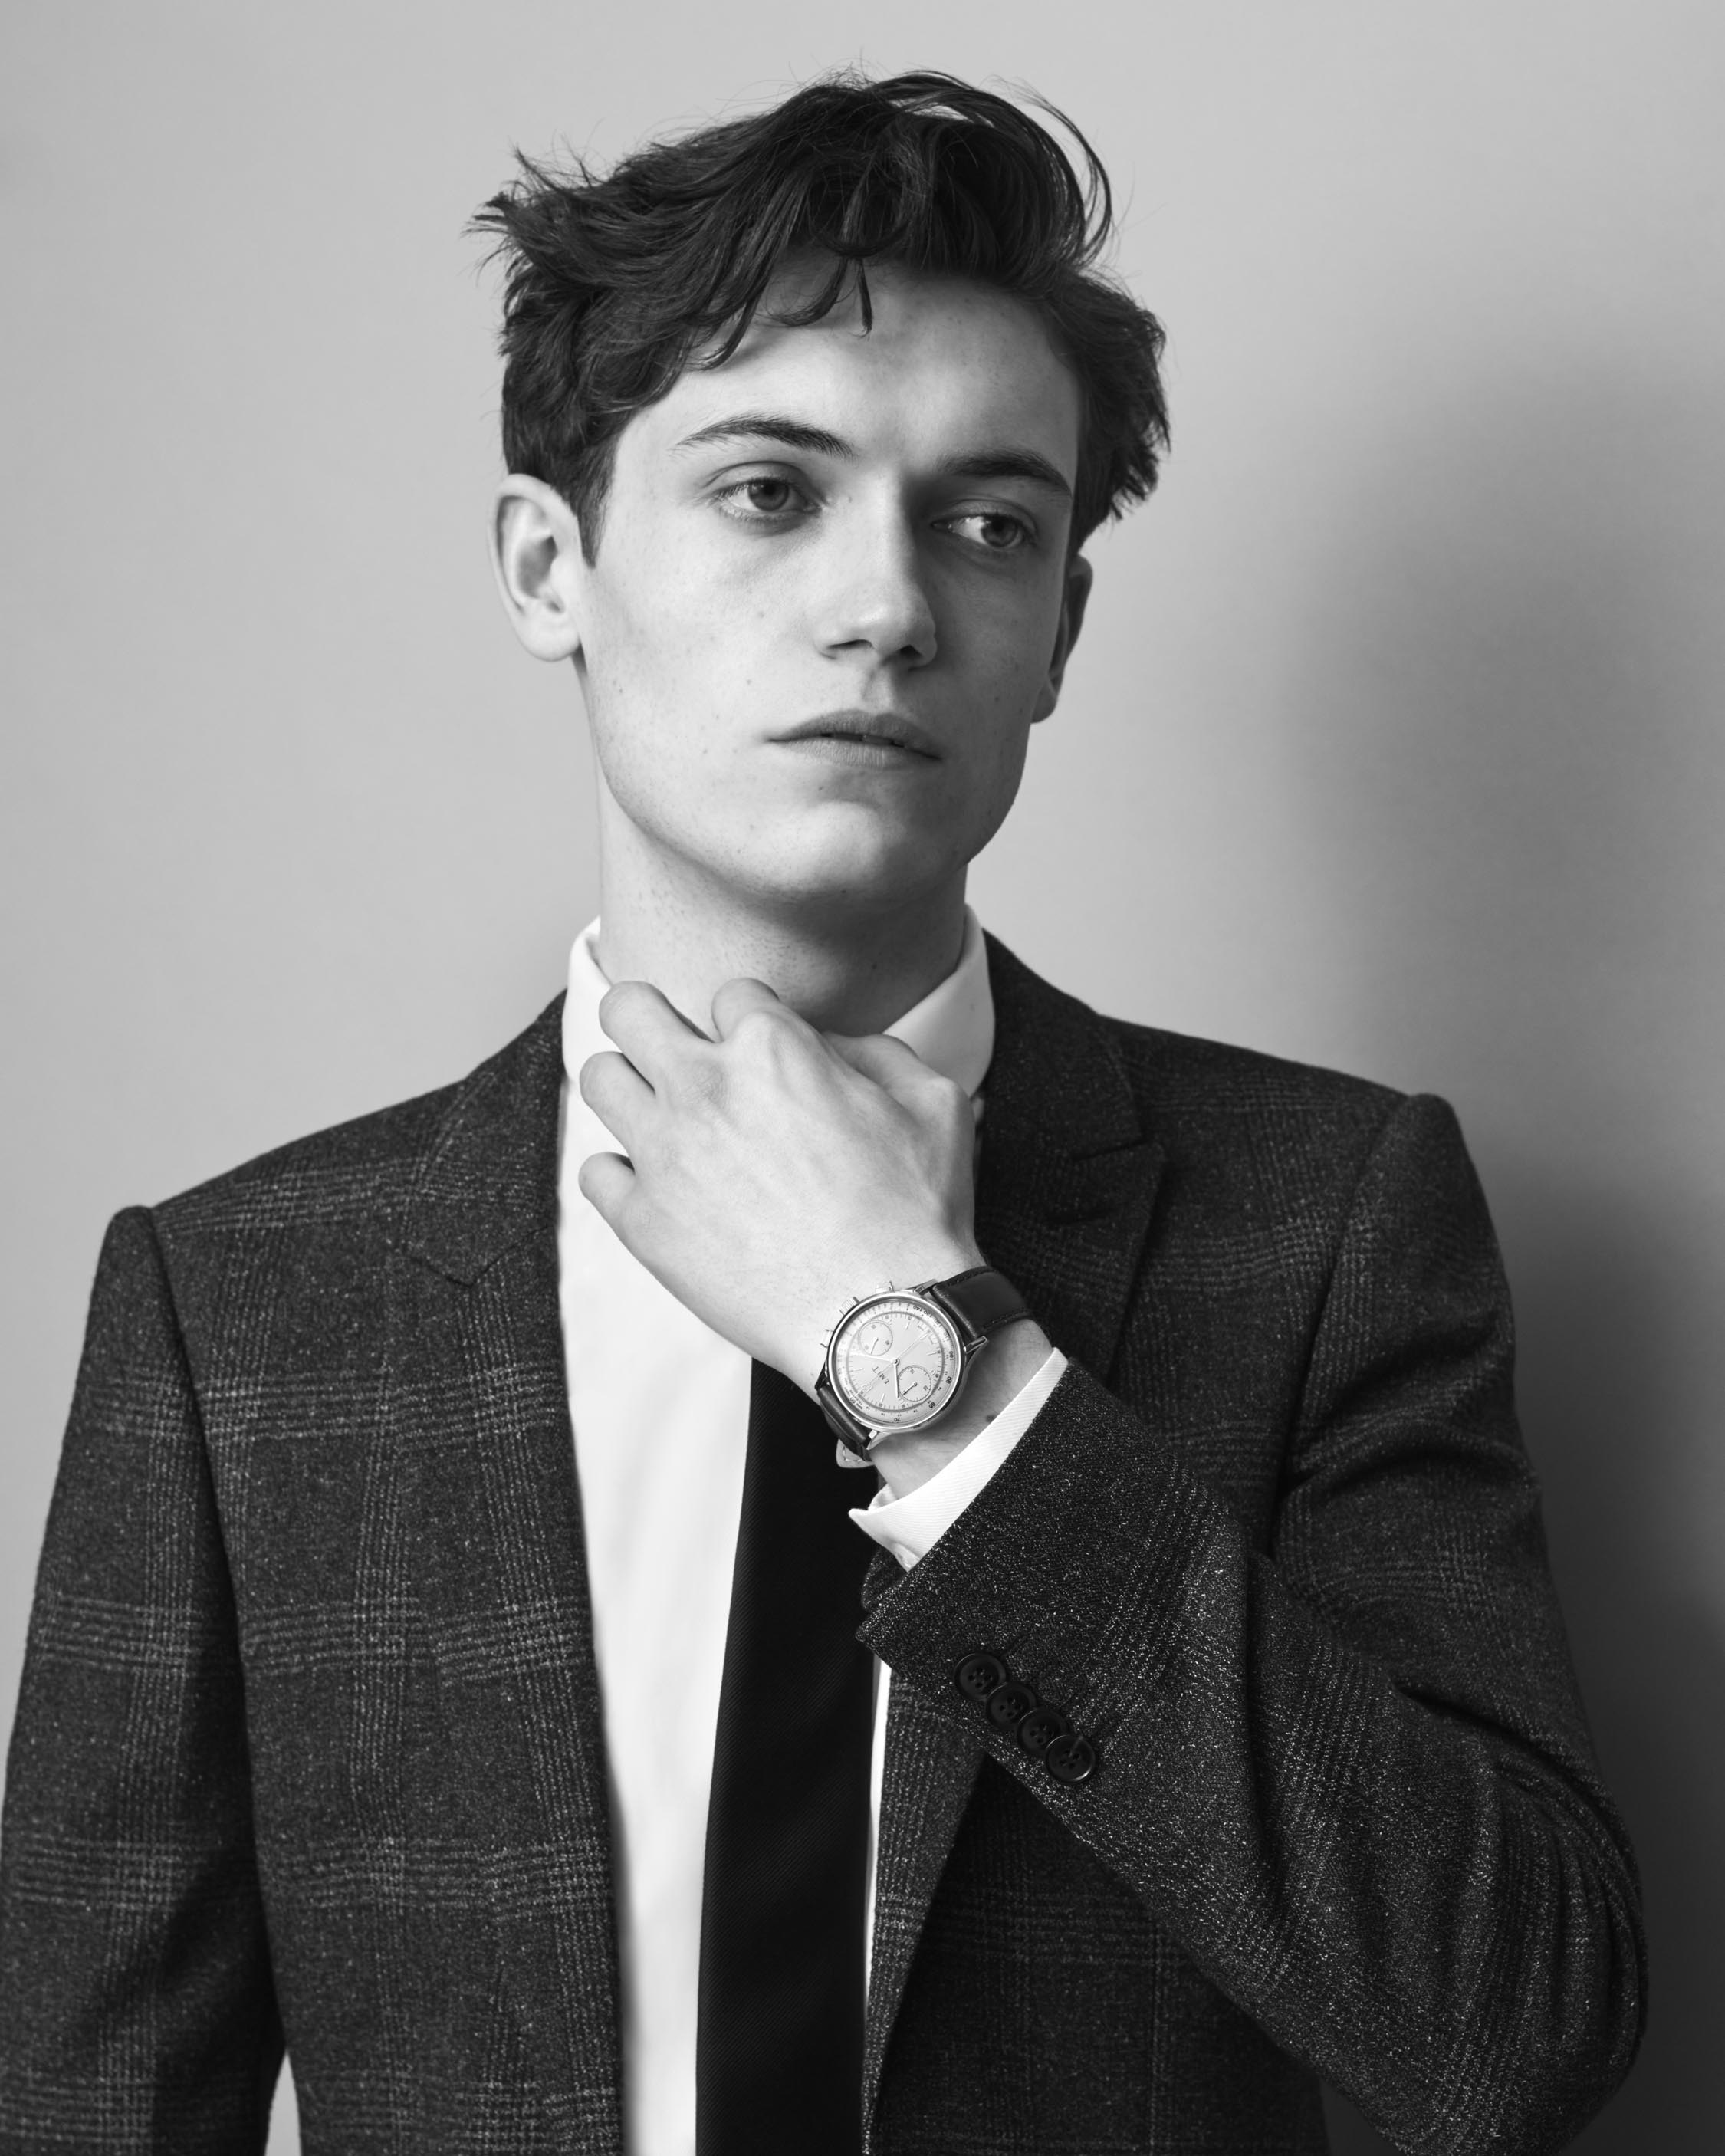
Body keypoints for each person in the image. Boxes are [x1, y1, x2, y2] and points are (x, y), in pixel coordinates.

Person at [0, 69, 1643, 2156]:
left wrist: (934, 1360)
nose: (889, 607)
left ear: (1058, 631)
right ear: (548, 565)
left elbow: (1510, 2033)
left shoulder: (1324, 1222)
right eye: (771, 491)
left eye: (991, 524)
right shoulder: (242, 1310)